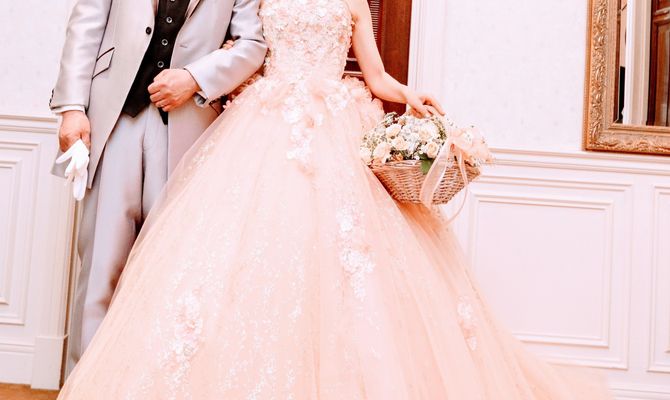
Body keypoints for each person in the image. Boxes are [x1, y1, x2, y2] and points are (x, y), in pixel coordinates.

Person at [57, 0, 613, 398]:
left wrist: (408, 95)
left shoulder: (353, 2)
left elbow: (376, 75)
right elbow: (250, 48)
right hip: (261, 127)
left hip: (331, 128)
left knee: (337, 264)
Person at [50, 0, 266, 369]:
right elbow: (85, 24)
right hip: (115, 116)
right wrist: (72, 108)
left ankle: (146, 380)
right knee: (102, 262)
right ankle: (86, 381)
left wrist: (195, 78)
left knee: (169, 268)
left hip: (189, 126)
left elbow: (252, 44)